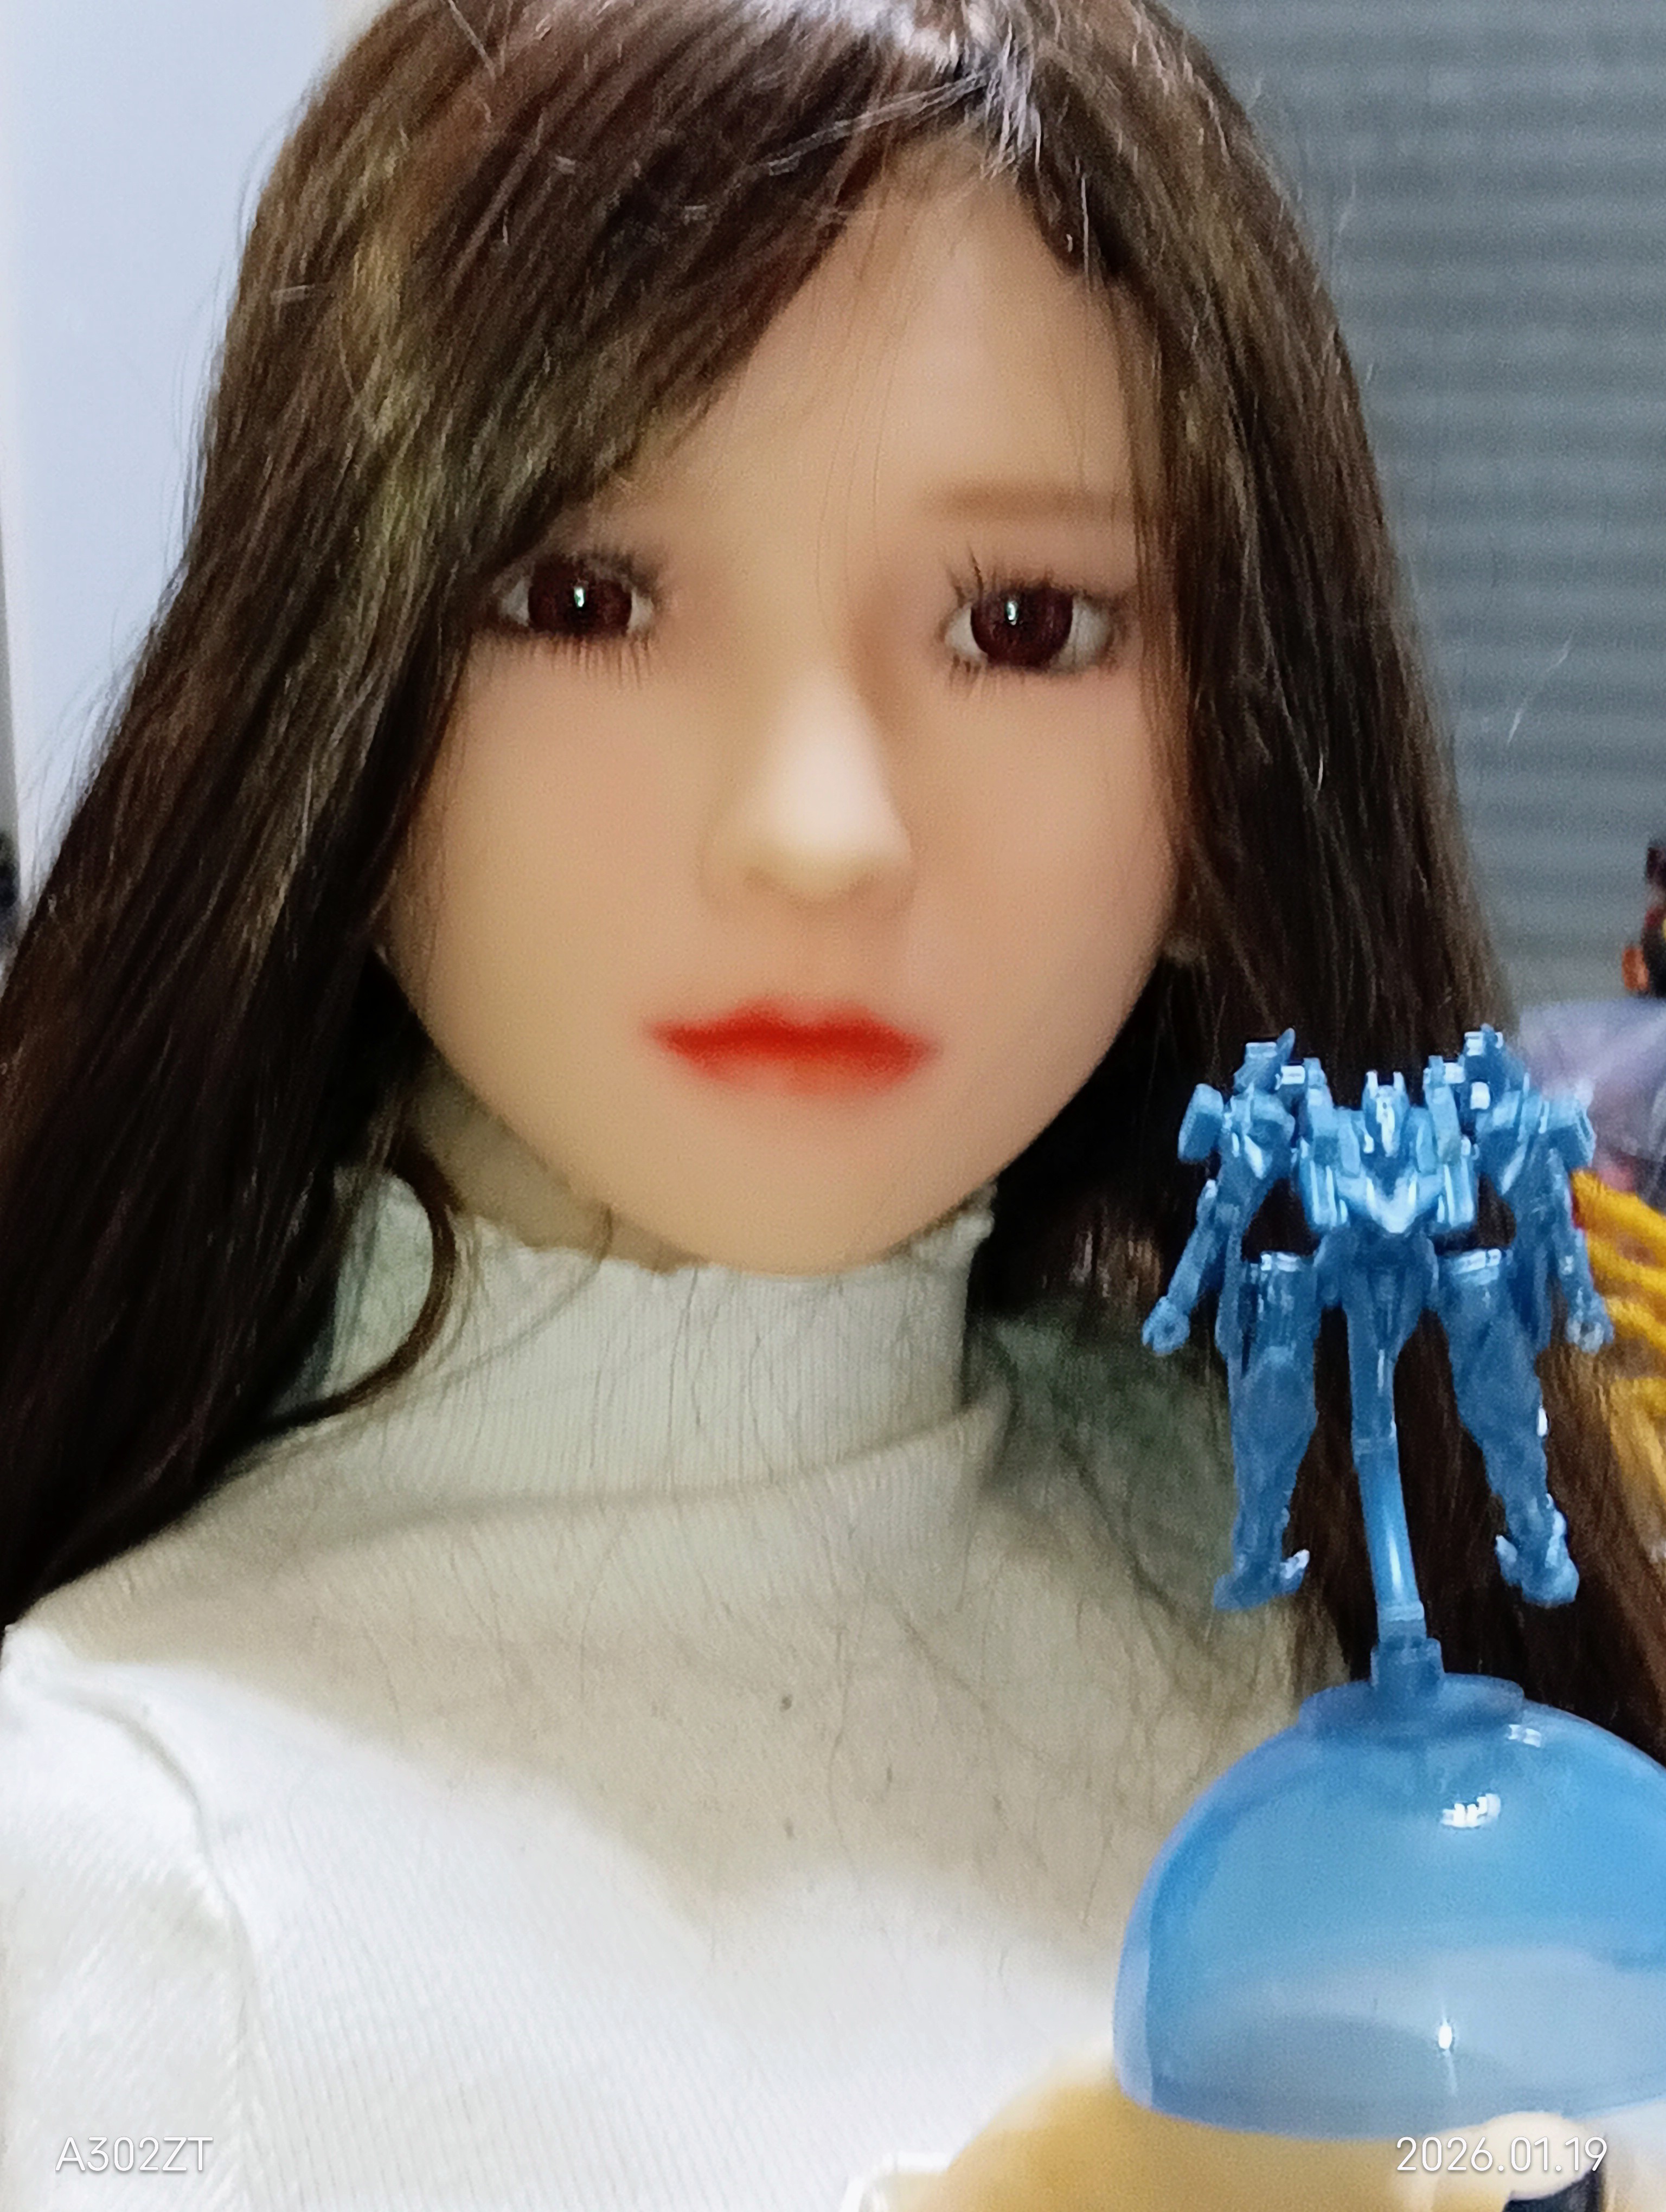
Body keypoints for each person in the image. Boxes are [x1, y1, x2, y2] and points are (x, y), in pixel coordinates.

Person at [1, 1, 1661, 2204]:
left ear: (1239, 761)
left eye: (1024, 622)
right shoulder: (118, 1885)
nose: (819, 830)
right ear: (331, 701)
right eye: (585, 598)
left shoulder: (1329, 1599)